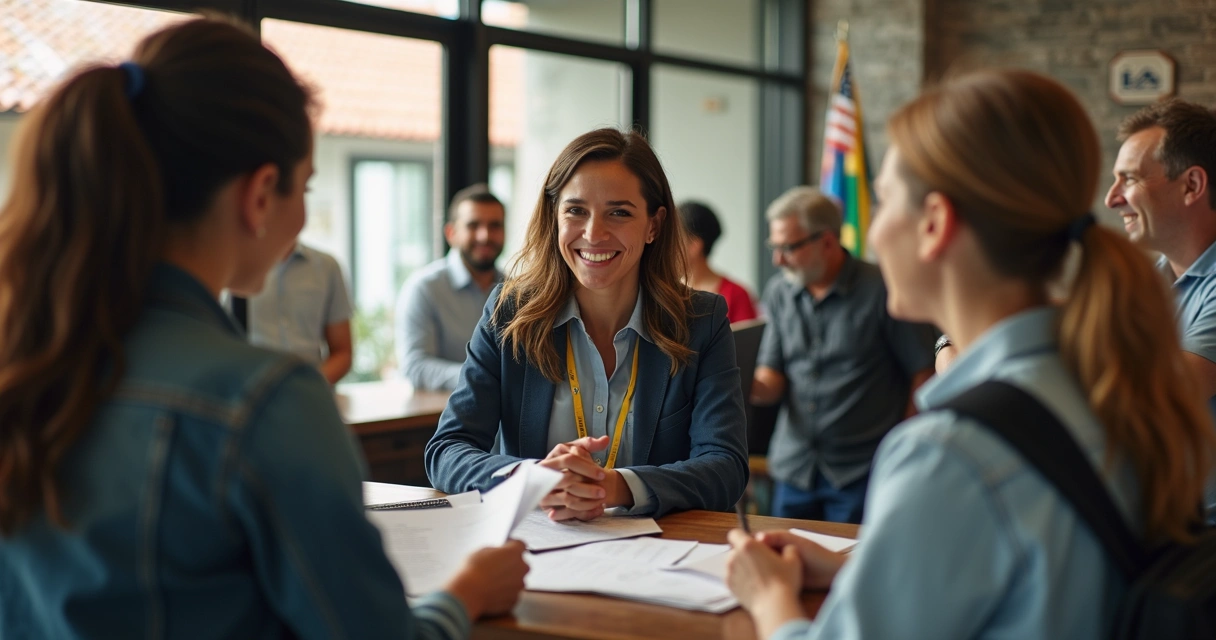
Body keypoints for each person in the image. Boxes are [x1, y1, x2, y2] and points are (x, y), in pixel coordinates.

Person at [0, 17, 525, 640]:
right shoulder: (263, 398)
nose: (302, 217)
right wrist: (463, 594)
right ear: (260, 195)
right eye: (304, 187)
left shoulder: (27, 360)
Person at [725, 69, 1215, 639]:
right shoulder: (1107, 393)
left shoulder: (949, 454)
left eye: (882, 202)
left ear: (934, 224)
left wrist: (770, 600)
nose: (872, 232)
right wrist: (854, 565)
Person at [425, 128, 749, 521]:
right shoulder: (509, 313)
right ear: (554, 217)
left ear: (654, 225)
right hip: (534, 553)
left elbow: (725, 467)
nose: (594, 234)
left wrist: (614, 485)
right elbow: (447, 450)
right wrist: (531, 478)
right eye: (576, 210)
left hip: (658, 559)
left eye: (619, 212)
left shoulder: (702, 321)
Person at [750, 186, 935, 524]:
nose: (778, 260)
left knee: (850, 572)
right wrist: (730, 377)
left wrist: (906, 447)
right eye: (774, 248)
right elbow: (771, 380)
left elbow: (924, 371)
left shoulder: (884, 289)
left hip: (861, 471)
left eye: (788, 248)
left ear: (828, 241)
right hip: (795, 468)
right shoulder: (780, 292)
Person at [397, 184, 505, 390]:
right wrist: (483, 377)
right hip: (441, 417)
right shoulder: (424, 288)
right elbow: (415, 366)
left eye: (495, 226)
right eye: (473, 225)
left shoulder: (516, 291)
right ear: (451, 233)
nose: (485, 236)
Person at [245, 242, 353, 384]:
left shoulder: (326, 266)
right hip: (249, 394)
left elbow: (342, 352)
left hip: (311, 391)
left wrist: (308, 387)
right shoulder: (240, 263)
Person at [679, 200, 759, 324]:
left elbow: (747, 341)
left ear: (694, 246)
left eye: (674, 239)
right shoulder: (663, 291)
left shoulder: (736, 295)